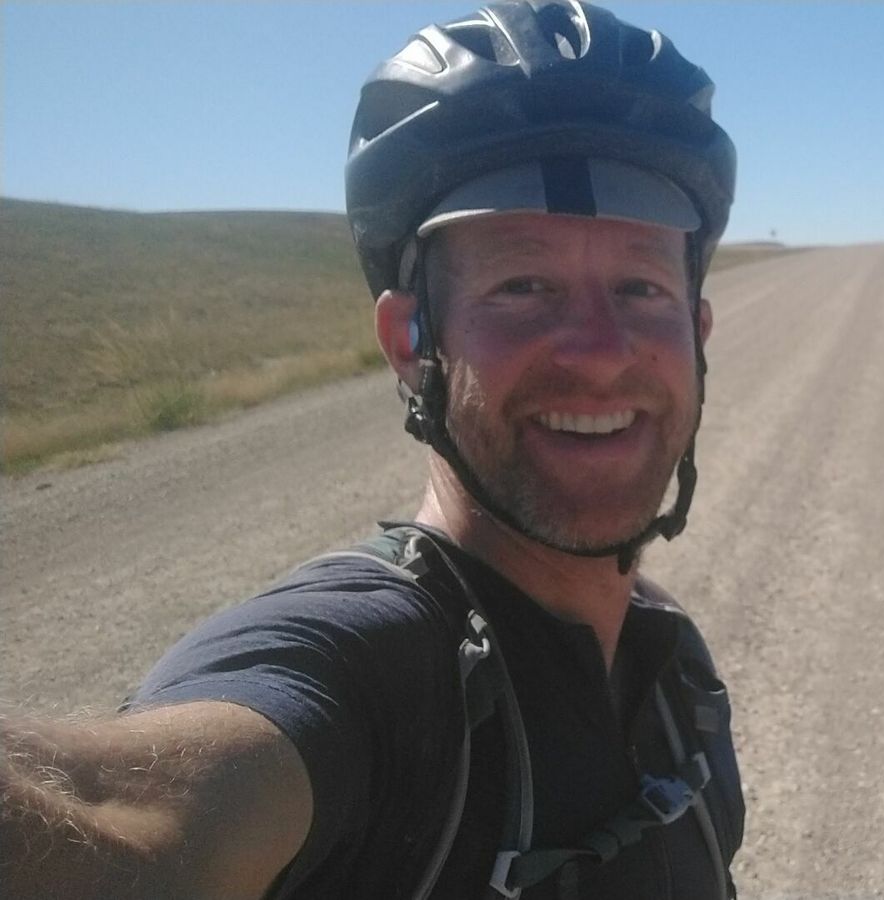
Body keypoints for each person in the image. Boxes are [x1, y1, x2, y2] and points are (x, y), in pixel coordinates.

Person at [0, 2, 743, 897]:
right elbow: (126, 824)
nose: (599, 351)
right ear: (408, 343)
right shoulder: (371, 673)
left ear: (697, 331)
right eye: (523, 285)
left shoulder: (672, 664)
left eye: (641, 287)